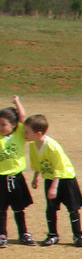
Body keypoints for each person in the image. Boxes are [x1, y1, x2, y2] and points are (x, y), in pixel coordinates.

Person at [24, 113, 82, 247]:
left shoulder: (52, 146)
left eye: (27, 132)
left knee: (72, 208)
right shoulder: (33, 145)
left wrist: (54, 187)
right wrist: (36, 177)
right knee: (51, 208)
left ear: (39, 133)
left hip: (64, 178)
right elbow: (37, 163)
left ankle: (78, 235)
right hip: (49, 178)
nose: (24, 134)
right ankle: (52, 235)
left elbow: (60, 166)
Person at [0, 94, 35, 247]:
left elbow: (22, 116)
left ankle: (23, 233)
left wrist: (17, 101)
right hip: (1, 178)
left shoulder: (20, 133)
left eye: (3, 124)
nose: (0, 127)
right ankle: (2, 234)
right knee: (1, 209)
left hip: (16, 177)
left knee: (19, 208)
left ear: (13, 125)